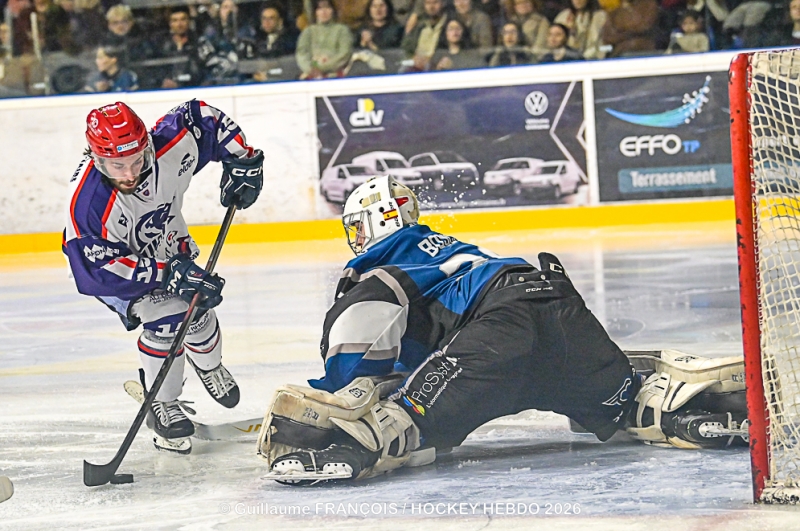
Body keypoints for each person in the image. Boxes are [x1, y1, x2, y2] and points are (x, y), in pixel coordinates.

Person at [258, 176, 749, 484]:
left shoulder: (385, 265)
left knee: (403, 425)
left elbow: (358, 338)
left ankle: (355, 446)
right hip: (557, 306)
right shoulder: (447, 247)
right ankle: (668, 405)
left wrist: (337, 390)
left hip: (495, 340)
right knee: (618, 401)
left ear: (374, 224)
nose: (357, 240)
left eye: (358, 228)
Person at [63, 100, 265, 454]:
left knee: (198, 306)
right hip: (118, 269)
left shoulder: (169, 146)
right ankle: (164, 402)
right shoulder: (87, 204)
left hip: (167, 243)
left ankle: (210, 366)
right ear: (96, 159)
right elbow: (98, 270)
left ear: (147, 146)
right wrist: (167, 275)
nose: (129, 174)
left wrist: (243, 159)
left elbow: (206, 118)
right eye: (116, 165)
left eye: (137, 160)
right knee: (169, 318)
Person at [295, 0, 353, 79]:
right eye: (320, 8)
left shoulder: (342, 30)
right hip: (311, 73)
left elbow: (344, 54)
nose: (324, 11)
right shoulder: (308, 31)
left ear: (333, 10)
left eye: (327, 7)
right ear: (315, 12)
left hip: (336, 73)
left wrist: (322, 68)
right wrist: (310, 69)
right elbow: (301, 54)